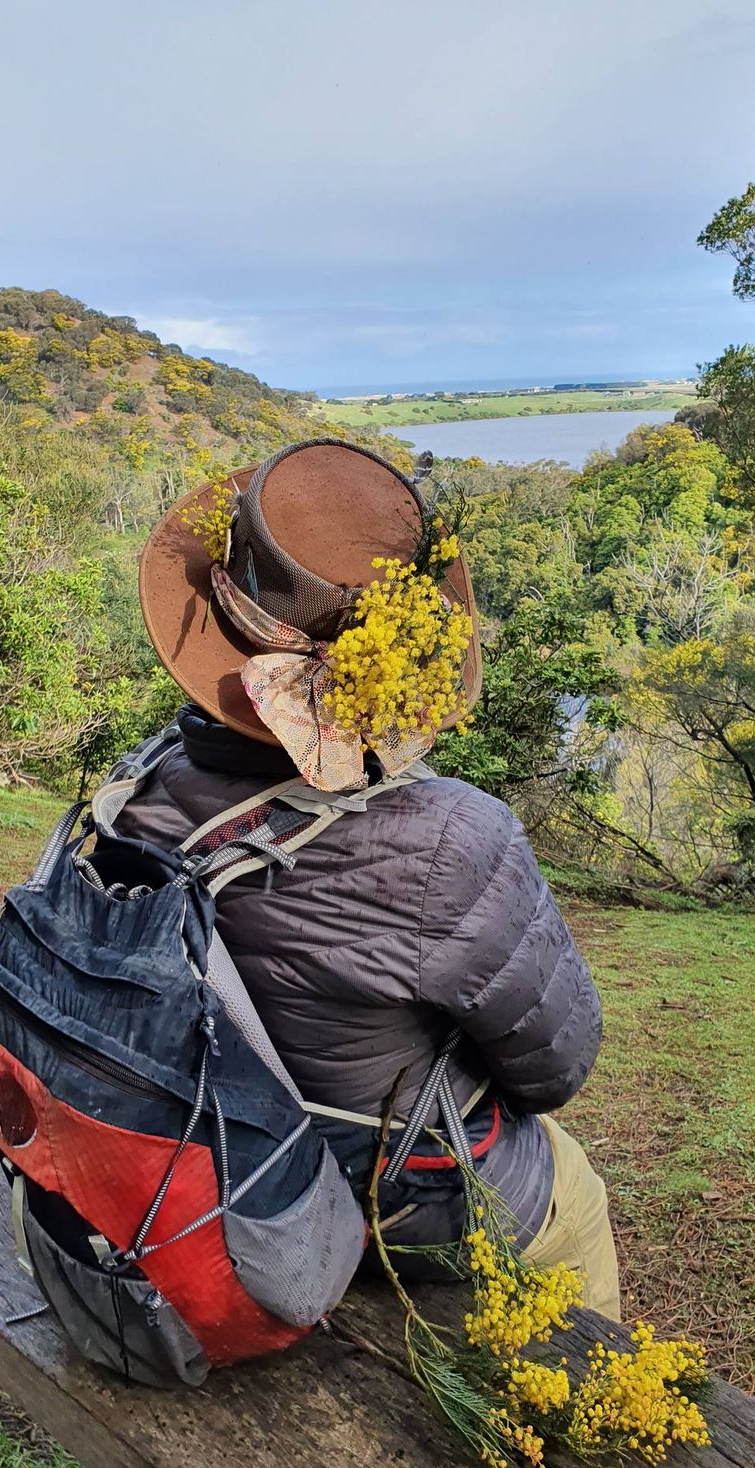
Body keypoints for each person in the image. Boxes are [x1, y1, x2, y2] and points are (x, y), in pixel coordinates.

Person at [126, 438, 620, 1319]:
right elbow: (555, 1068)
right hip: (385, 1199)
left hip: (207, 1157)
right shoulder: (452, 838)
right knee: (573, 1188)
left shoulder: (138, 787)